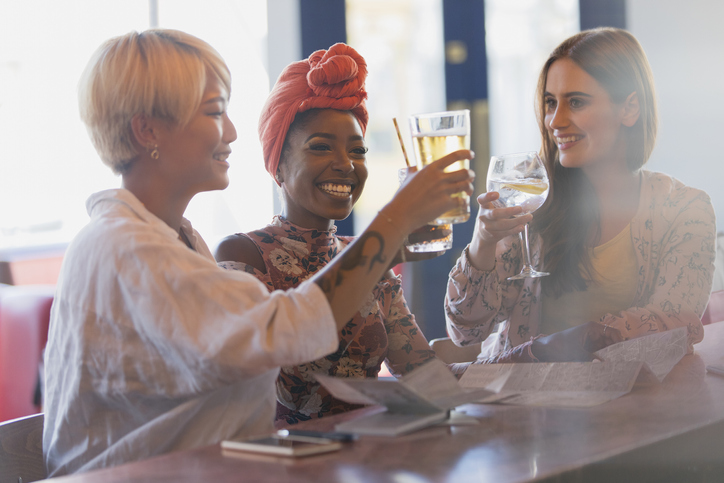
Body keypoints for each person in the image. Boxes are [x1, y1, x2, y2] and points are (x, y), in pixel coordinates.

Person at [43, 30, 474, 476]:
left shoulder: (173, 241)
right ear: (147, 130)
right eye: (214, 111)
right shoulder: (127, 249)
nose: (231, 131)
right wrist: (393, 222)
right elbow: (284, 331)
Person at [445, 27, 716, 363]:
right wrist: (482, 245)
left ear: (629, 108)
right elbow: (465, 333)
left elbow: (676, 325)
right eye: (550, 102)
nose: (555, 121)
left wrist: (560, 345)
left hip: (631, 404)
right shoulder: (527, 198)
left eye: (576, 102)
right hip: (521, 403)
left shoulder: (684, 210)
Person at [215, 43, 452, 424]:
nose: (346, 165)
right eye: (321, 147)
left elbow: (424, 375)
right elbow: (253, 370)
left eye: (358, 152)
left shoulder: (368, 254)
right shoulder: (243, 253)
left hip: (370, 460)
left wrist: (521, 357)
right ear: (277, 166)